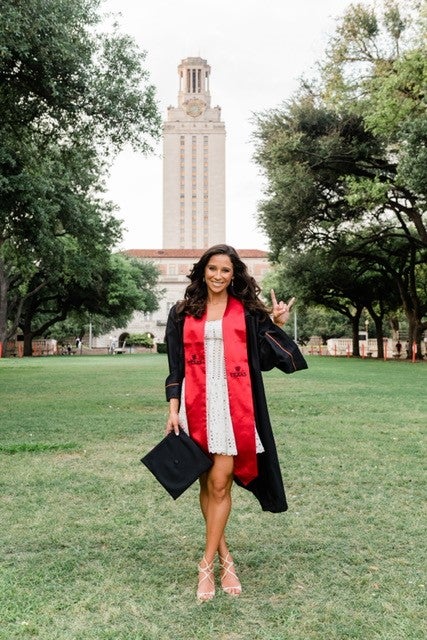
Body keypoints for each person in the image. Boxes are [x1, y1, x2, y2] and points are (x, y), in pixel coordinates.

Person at [164, 244, 307, 602]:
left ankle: (206, 564)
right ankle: (225, 556)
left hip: (232, 407)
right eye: (212, 268)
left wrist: (275, 323)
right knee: (205, 485)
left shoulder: (246, 313)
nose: (217, 275)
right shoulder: (181, 312)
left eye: (225, 270)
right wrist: (172, 408)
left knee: (220, 484)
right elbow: (175, 367)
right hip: (195, 406)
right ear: (202, 271)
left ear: (234, 275)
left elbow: (268, 357)